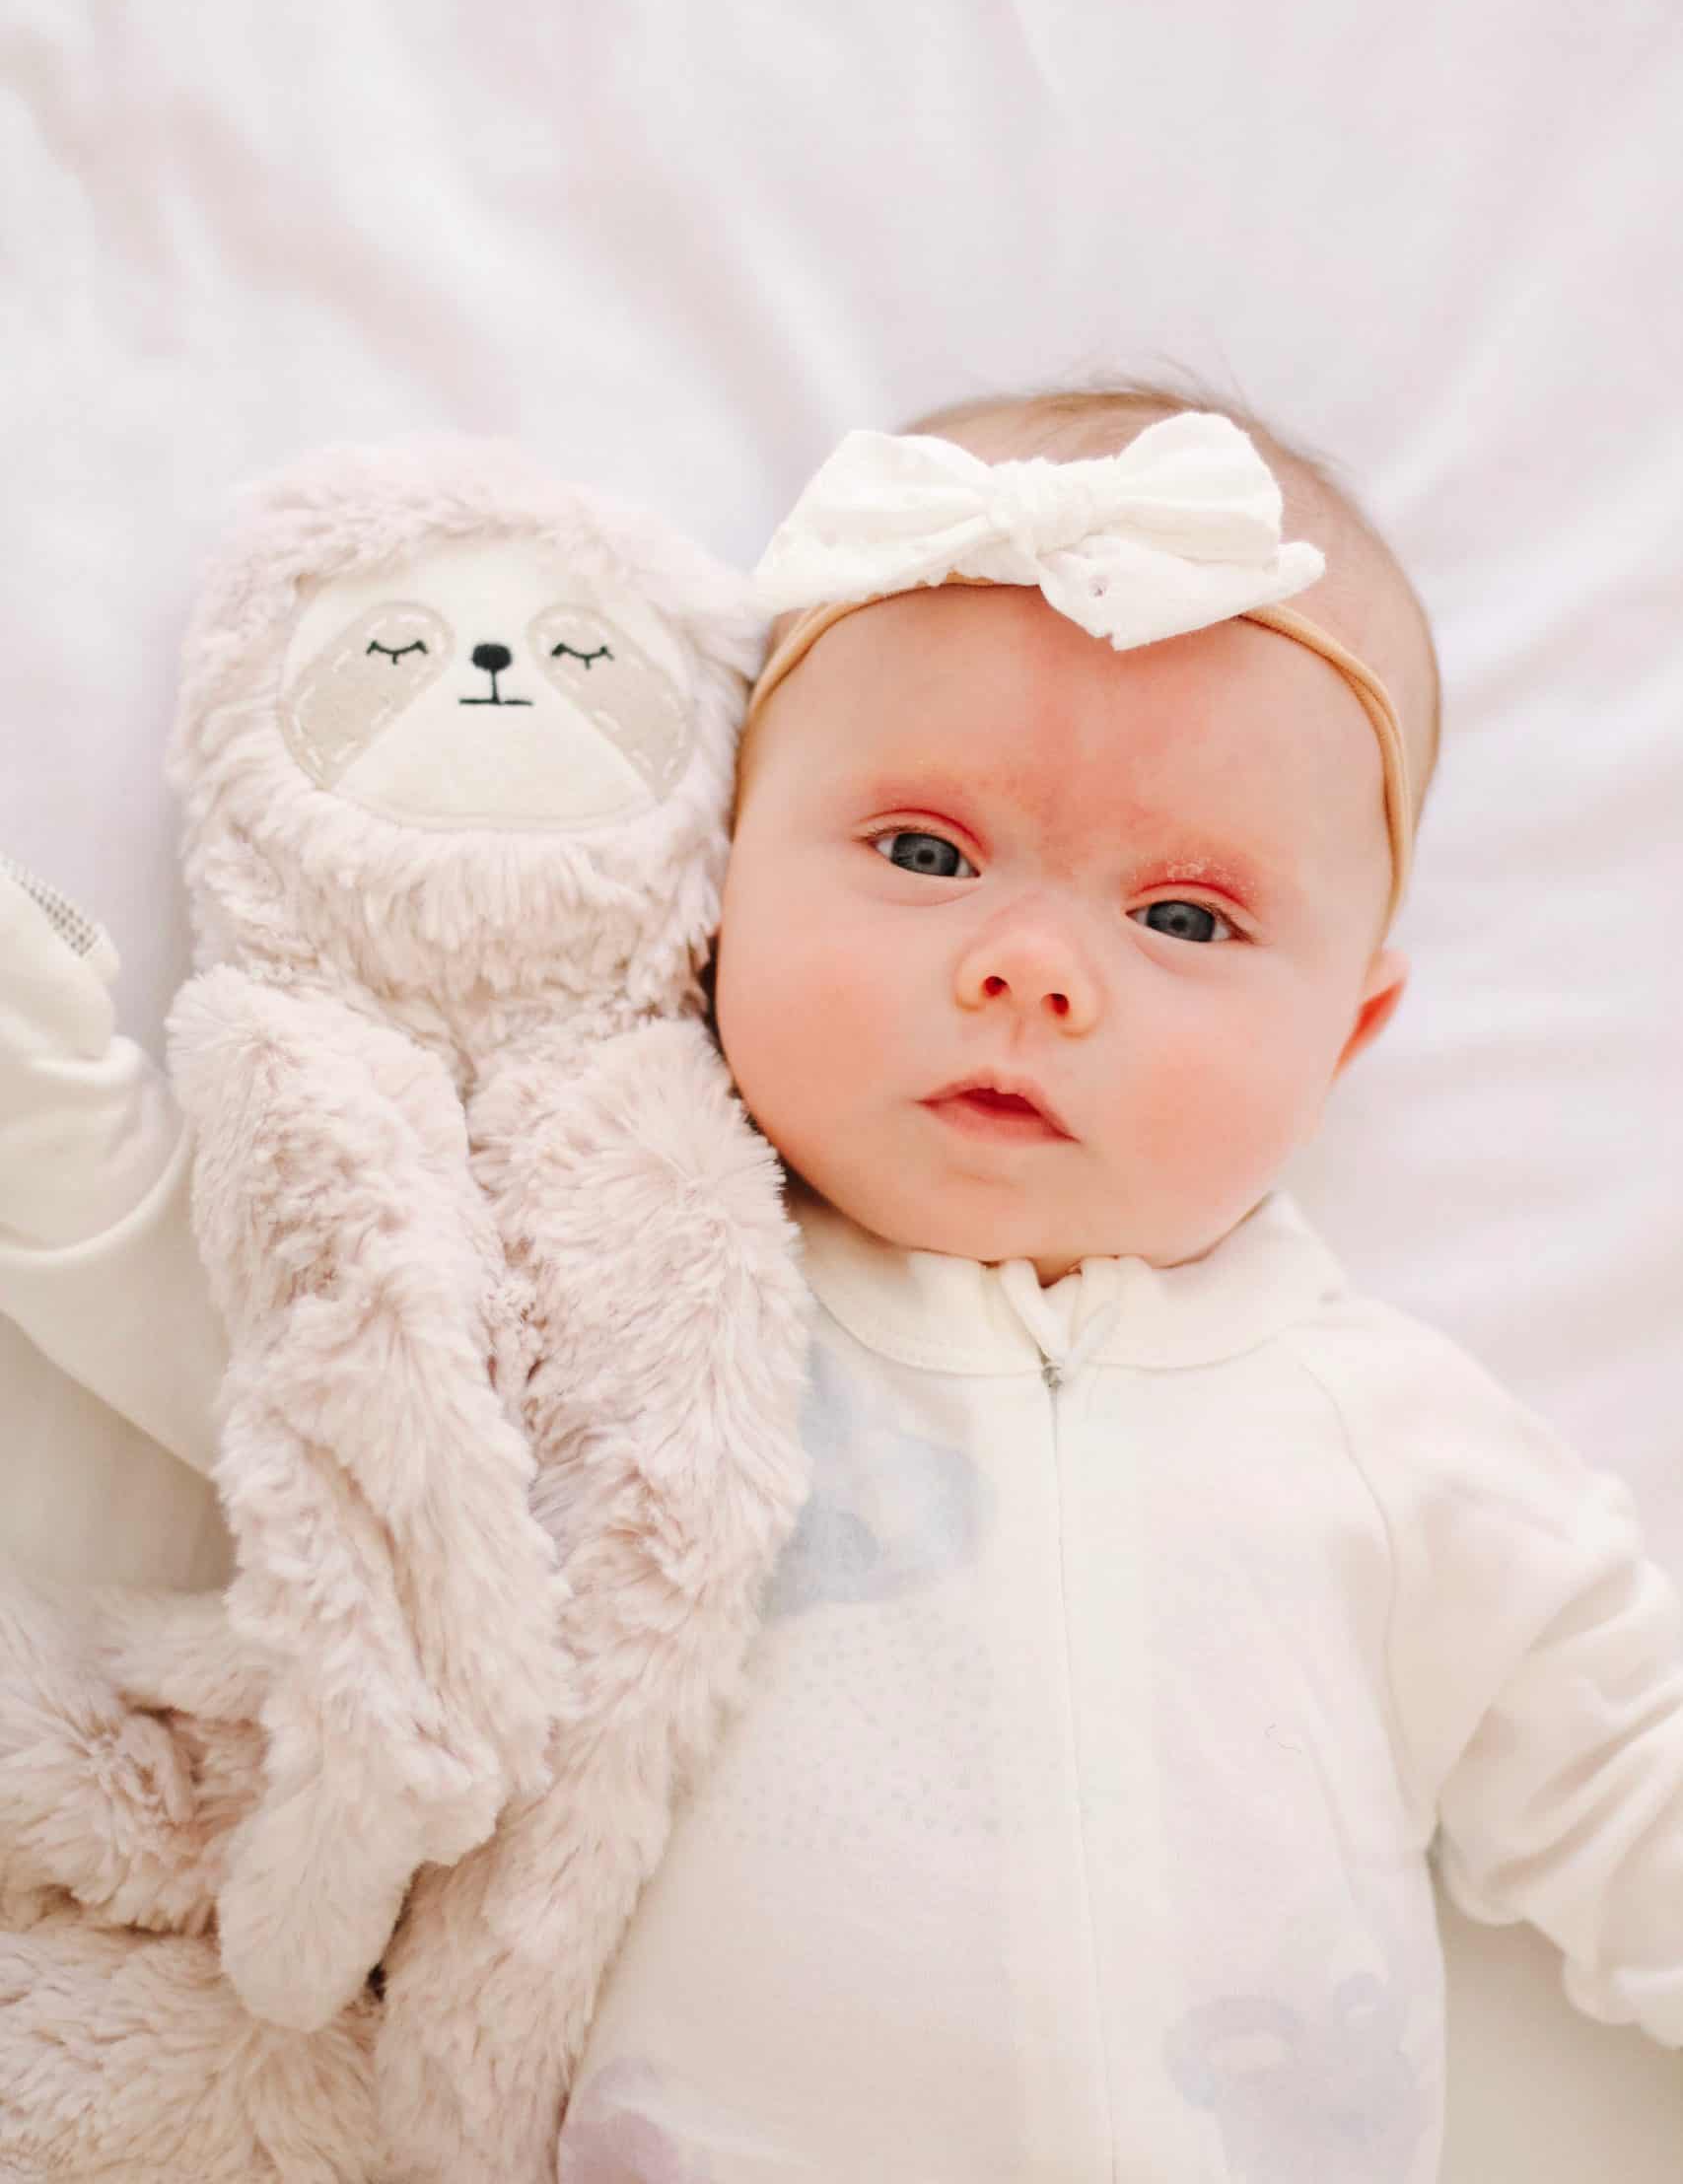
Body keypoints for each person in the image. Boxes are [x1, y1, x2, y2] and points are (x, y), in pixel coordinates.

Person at [5, 387, 1682, 2183]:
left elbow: (1628, 1781)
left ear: (1346, 1035)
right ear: (723, 880)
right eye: (925, 853)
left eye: (1184, 918)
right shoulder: (624, 1282)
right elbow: (305, 1374)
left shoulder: (1386, 1434)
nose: (1032, 968)